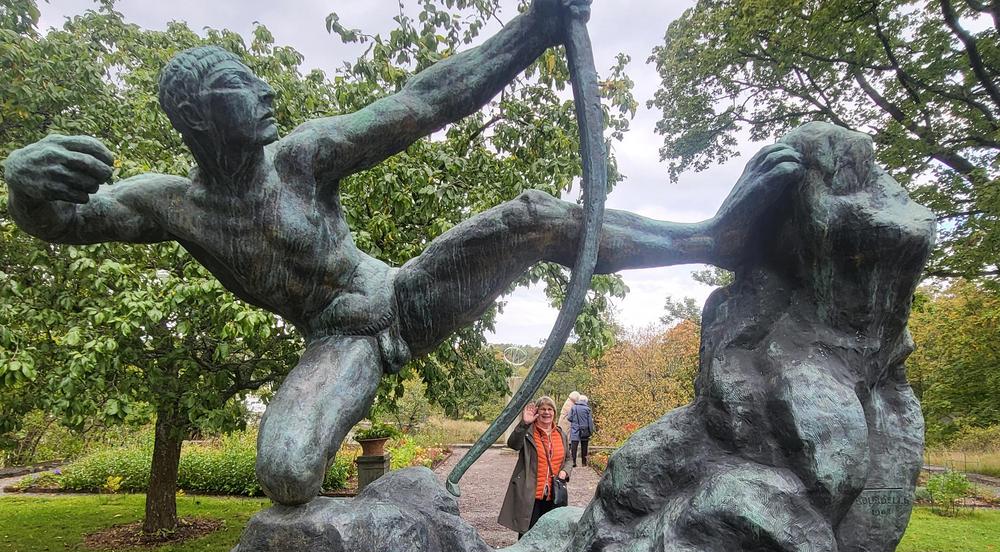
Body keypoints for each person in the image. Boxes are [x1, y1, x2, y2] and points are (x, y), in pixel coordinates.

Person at [4, 0, 803, 508]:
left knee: (531, 218)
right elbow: (70, 221)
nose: (267, 93)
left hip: (405, 298)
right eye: (242, 88)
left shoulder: (303, 158)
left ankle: (713, 239)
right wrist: (26, 189)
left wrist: (535, 27)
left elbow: (424, 101)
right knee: (286, 474)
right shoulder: (169, 203)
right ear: (199, 117)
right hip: (342, 341)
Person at [498, 396, 571, 537]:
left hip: (554, 494)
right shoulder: (528, 432)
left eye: (550, 409)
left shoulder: (560, 434)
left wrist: (565, 472)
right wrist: (524, 424)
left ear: (554, 412)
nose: (546, 412)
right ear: (537, 412)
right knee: (528, 535)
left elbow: (569, 459)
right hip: (531, 495)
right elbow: (513, 444)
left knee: (550, 535)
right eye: (543, 409)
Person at [568, 394, 595, 466]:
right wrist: (591, 431)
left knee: (574, 447)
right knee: (584, 447)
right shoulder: (587, 409)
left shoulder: (573, 407)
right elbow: (590, 422)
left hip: (575, 429)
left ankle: (573, 462)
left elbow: (569, 418)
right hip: (584, 430)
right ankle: (584, 463)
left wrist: (575, 422)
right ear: (586, 401)